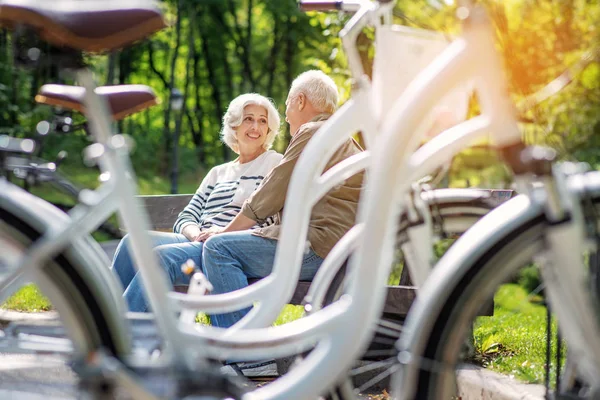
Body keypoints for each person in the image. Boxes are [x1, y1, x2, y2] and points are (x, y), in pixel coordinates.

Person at [197, 70, 364, 328]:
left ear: (299, 101)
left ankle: (245, 348)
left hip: (318, 248)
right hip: (341, 250)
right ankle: (245, 342)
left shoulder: (313, 132)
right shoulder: (342, 137)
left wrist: (223, 232)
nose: (285, 115)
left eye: (286, 104)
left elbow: (271, 192)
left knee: (219, 249)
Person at [111, 93, 283, 312]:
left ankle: (122, 333)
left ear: (269, 130)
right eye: (248, 119)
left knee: (162, 257)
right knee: (131, 243)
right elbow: (187, 216)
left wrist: (220, 234)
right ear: (234, 125)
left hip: (229, 248)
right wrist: (196, 234)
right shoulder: (217, 173)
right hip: (198, 240)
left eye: (262, 121)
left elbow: (266, 216)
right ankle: (105, 316)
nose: (255, 127)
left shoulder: (274, 163)